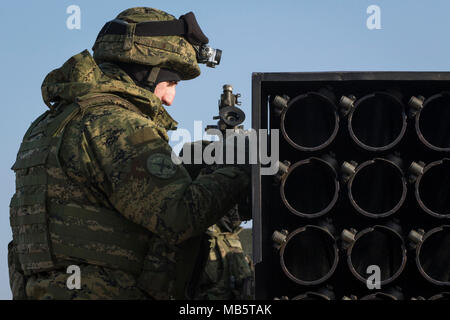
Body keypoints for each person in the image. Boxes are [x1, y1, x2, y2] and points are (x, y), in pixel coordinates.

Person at [8, 7, 251, 300]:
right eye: (171, 82)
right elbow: (179, 216)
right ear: (144, 71)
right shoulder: (115, 124)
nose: (170, 99)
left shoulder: (50, 122)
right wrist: (243, 166)